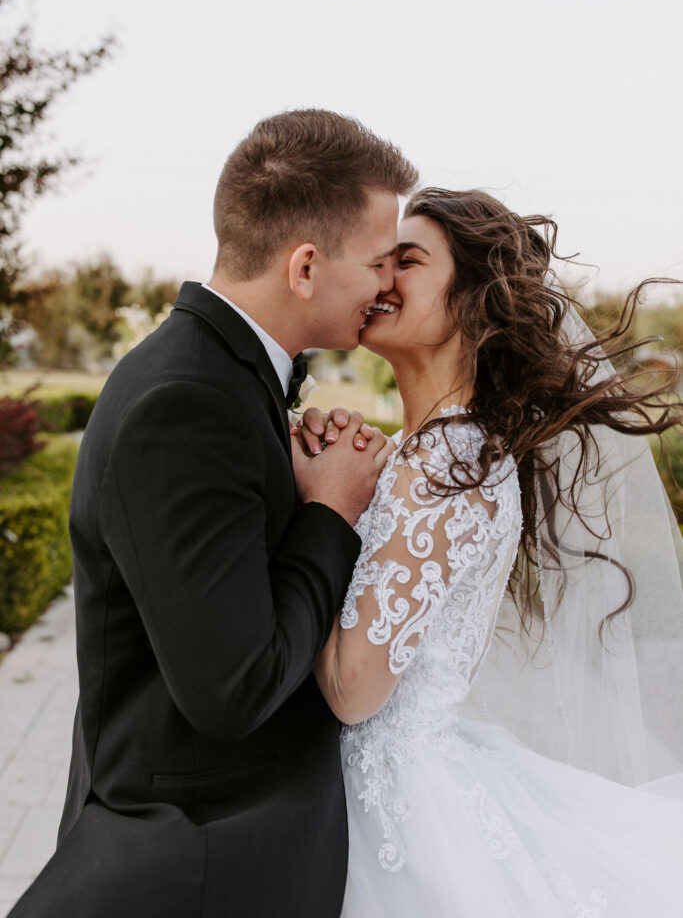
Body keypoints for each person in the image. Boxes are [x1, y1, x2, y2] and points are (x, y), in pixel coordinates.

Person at [8, 109, 418, 918]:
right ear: (304, 267)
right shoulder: (186, 401)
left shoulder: (224, 377)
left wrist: (300, 480)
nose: (386, 284)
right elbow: (234, 687)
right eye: (377, 260)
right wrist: (331, 510)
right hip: (195, 858)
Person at [302, 188, 683, 916]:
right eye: (380, 261)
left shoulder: (445, 463)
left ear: (473, 300)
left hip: (395, 817)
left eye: (406, 262)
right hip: (423, 776)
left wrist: (317, 510)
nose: (380, 279)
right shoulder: (451, 449)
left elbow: (354, 694)